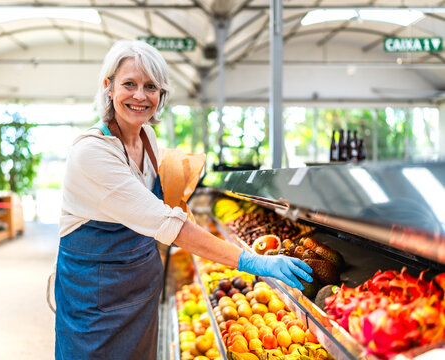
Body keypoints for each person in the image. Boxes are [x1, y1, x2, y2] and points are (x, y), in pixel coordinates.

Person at [54, 40, 313, 360]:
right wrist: (252, 261)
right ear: (108, 87)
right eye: (129, 84)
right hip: (95, 303)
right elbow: (167, 224)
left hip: (140, 291)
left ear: (161, 94)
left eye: (151, 86)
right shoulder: (91, 153)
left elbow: (161, 209)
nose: (140, 96)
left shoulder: (147, 137)